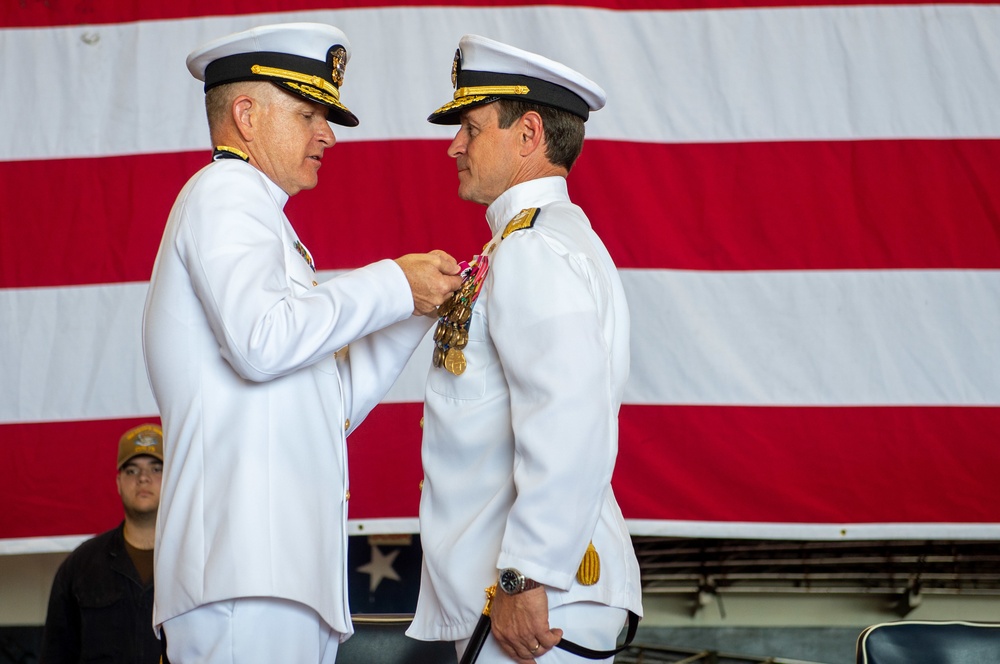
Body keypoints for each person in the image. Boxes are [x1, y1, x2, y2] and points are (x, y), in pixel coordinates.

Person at [141, 22, 463, 664]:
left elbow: (328, 405)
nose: (328, 134)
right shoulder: (226, 192)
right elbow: (264, 343)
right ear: (246, 115)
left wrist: (414, 306)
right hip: (242, 573)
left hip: (272, 575)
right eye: (309, 112)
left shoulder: (261, 220)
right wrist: (393, 281)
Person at [407, 35, 644, 663]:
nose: (455, 145)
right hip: (530, 591)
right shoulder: (534, 240)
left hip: (536, 597)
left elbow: (567, 415)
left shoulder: (534, 248)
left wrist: (525, 574)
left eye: (471, 127)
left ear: (529, 133)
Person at [40, 424, 166, 664]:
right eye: (131, 470)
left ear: (172, 480)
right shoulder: (80, 566)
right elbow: (55, 656)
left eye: (156, 468)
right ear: (118, 483)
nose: (143, 478)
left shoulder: (194, 562)